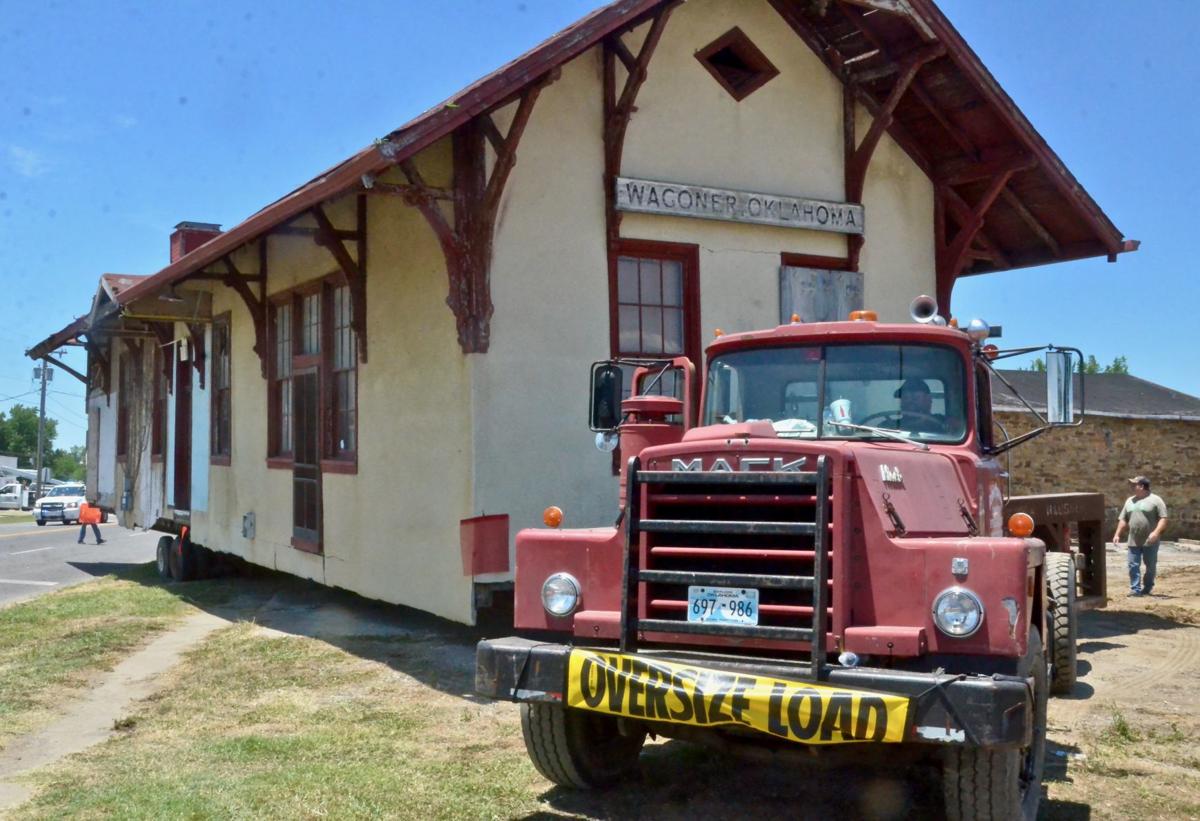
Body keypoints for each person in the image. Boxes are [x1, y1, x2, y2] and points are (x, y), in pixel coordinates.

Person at [1112, 476, 1168, 596]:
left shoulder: (1156, 500)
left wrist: (1156, 533)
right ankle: (1135, 589)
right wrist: (1117, 534)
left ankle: (1147, 587)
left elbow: (1163, 519)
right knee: (1133, 565)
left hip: (1150, 540)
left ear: (1142, 486)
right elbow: (1123, 519)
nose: (1132, 487)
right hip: (1133, 540)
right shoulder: (1130, 501)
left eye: (1134, 484)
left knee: (1150, 566)